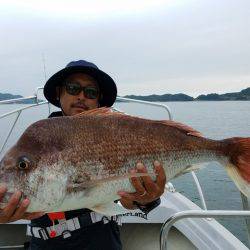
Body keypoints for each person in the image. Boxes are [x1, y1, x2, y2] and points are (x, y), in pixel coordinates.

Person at [0, 60, 166, 249]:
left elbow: (127, 201)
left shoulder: (114, 138)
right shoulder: (37, 142)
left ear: (98, 100)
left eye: (91, 92)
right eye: (72, 88)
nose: (81, 96)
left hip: (103, 241)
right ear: (58, 93)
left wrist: (145, 200)